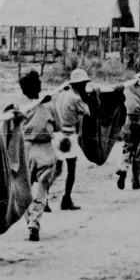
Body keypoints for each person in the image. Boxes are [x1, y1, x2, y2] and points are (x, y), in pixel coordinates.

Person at [17, 71, 61, 241]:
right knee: (42, 188)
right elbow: (58, 126)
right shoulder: (49, 106)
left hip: (25, 149)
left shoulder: (20, 106)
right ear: (39, 87)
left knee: (24, 189)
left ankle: (29, 220)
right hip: (45, 148)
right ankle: (35, 221)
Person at [52, 68, 92, 210]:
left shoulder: (61, 95)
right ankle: (66, 199)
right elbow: (87, 113)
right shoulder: (76, 98)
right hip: (69, 134)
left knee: (56, 170)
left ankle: (43, 198)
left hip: (57, 134)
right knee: (71, 169)